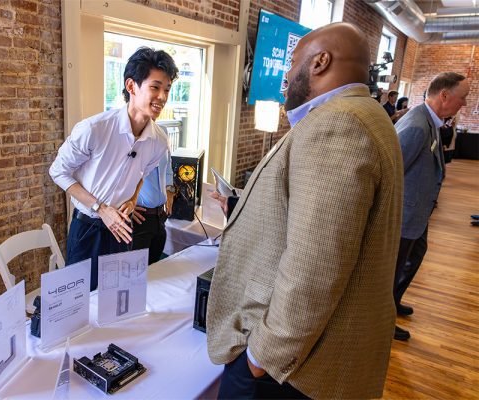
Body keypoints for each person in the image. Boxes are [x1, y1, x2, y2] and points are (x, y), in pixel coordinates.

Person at [206, 23, 403, 399]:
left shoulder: (338, 123)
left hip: (293, 370)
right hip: (316, 357)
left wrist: (261, 357)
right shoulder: (369, 115)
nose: (285, 75)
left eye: (292, 63)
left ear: (319, 62)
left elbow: (315, 268)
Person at [49, 47, 178, 290]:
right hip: (88, 227)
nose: (162, 96)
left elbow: (143, 174)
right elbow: (58, 171)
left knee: (118, 301)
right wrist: (101, 208)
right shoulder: (94, 129)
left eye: (167, 89)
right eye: (155, 87)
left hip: (122, 229)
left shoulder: (159, 141)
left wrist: (132, 198)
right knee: (78, 303)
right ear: (131, 86)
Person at [393, 72, 469, 340]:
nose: (464, 104)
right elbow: (392, 172)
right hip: (404, 214)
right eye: (463, 98)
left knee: (416, 255)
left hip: (418, 212)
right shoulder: (417, 125)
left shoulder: (431, 121)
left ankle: (393, 302)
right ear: (445, 95)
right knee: (394, 267)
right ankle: (383, 318)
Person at [131, 127, 175, 265]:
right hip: (138, 219)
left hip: (159, 217)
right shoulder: (128, 135)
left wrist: (169, 190)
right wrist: (120, 206)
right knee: (135, 275)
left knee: (155, 270)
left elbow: (168, 168)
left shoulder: (162, 132)